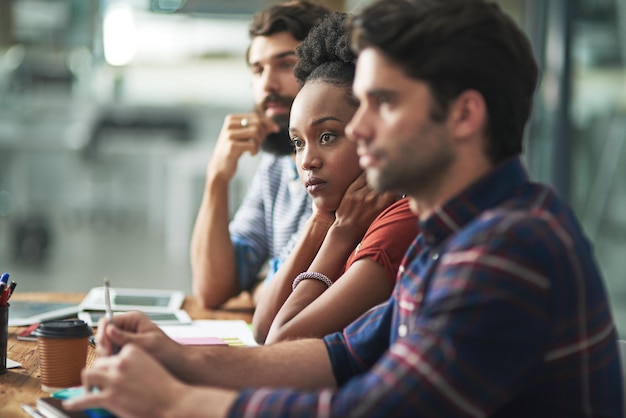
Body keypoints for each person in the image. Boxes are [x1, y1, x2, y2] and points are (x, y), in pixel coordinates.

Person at [66, 1, 623, 417]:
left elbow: (366, 410)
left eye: (383, 102)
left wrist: (173, 402)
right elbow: (334, 356)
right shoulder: (448, 238)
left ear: (463, 115)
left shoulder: (507, 251)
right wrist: (176, 357)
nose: (357, 127)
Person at [251, 12, 418, 344]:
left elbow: (279, 343)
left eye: (327, 136)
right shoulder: (344, 213)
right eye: (298, 143)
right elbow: (261, 327)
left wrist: (341, 233)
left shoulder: (400, 219)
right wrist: (319, 221)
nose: (308, 161)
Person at [190, 1, 330, 309]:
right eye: (258, 69)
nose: (267, 84)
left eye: (285, 64)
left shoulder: (340, 165)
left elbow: (286, 300)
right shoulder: (276, 162)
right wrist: (217, 177)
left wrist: (257, 290)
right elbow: (212, 289)